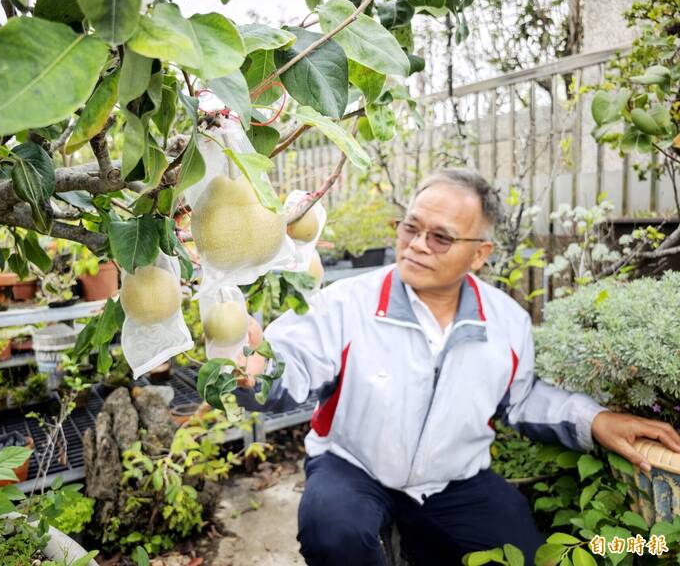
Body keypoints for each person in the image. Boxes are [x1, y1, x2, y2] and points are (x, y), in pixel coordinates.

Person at [233, 168, 680, 566]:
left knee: (522, 551)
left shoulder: (505, 321)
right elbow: (285, 367)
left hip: (452, 477)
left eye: (440, 237)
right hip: (353, 465)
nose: (416, 247)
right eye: (410, 228)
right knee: (333, 533)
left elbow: (521, 398)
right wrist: (256, 368)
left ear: (479, 254)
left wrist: (594, 419)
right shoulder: (345, 304)